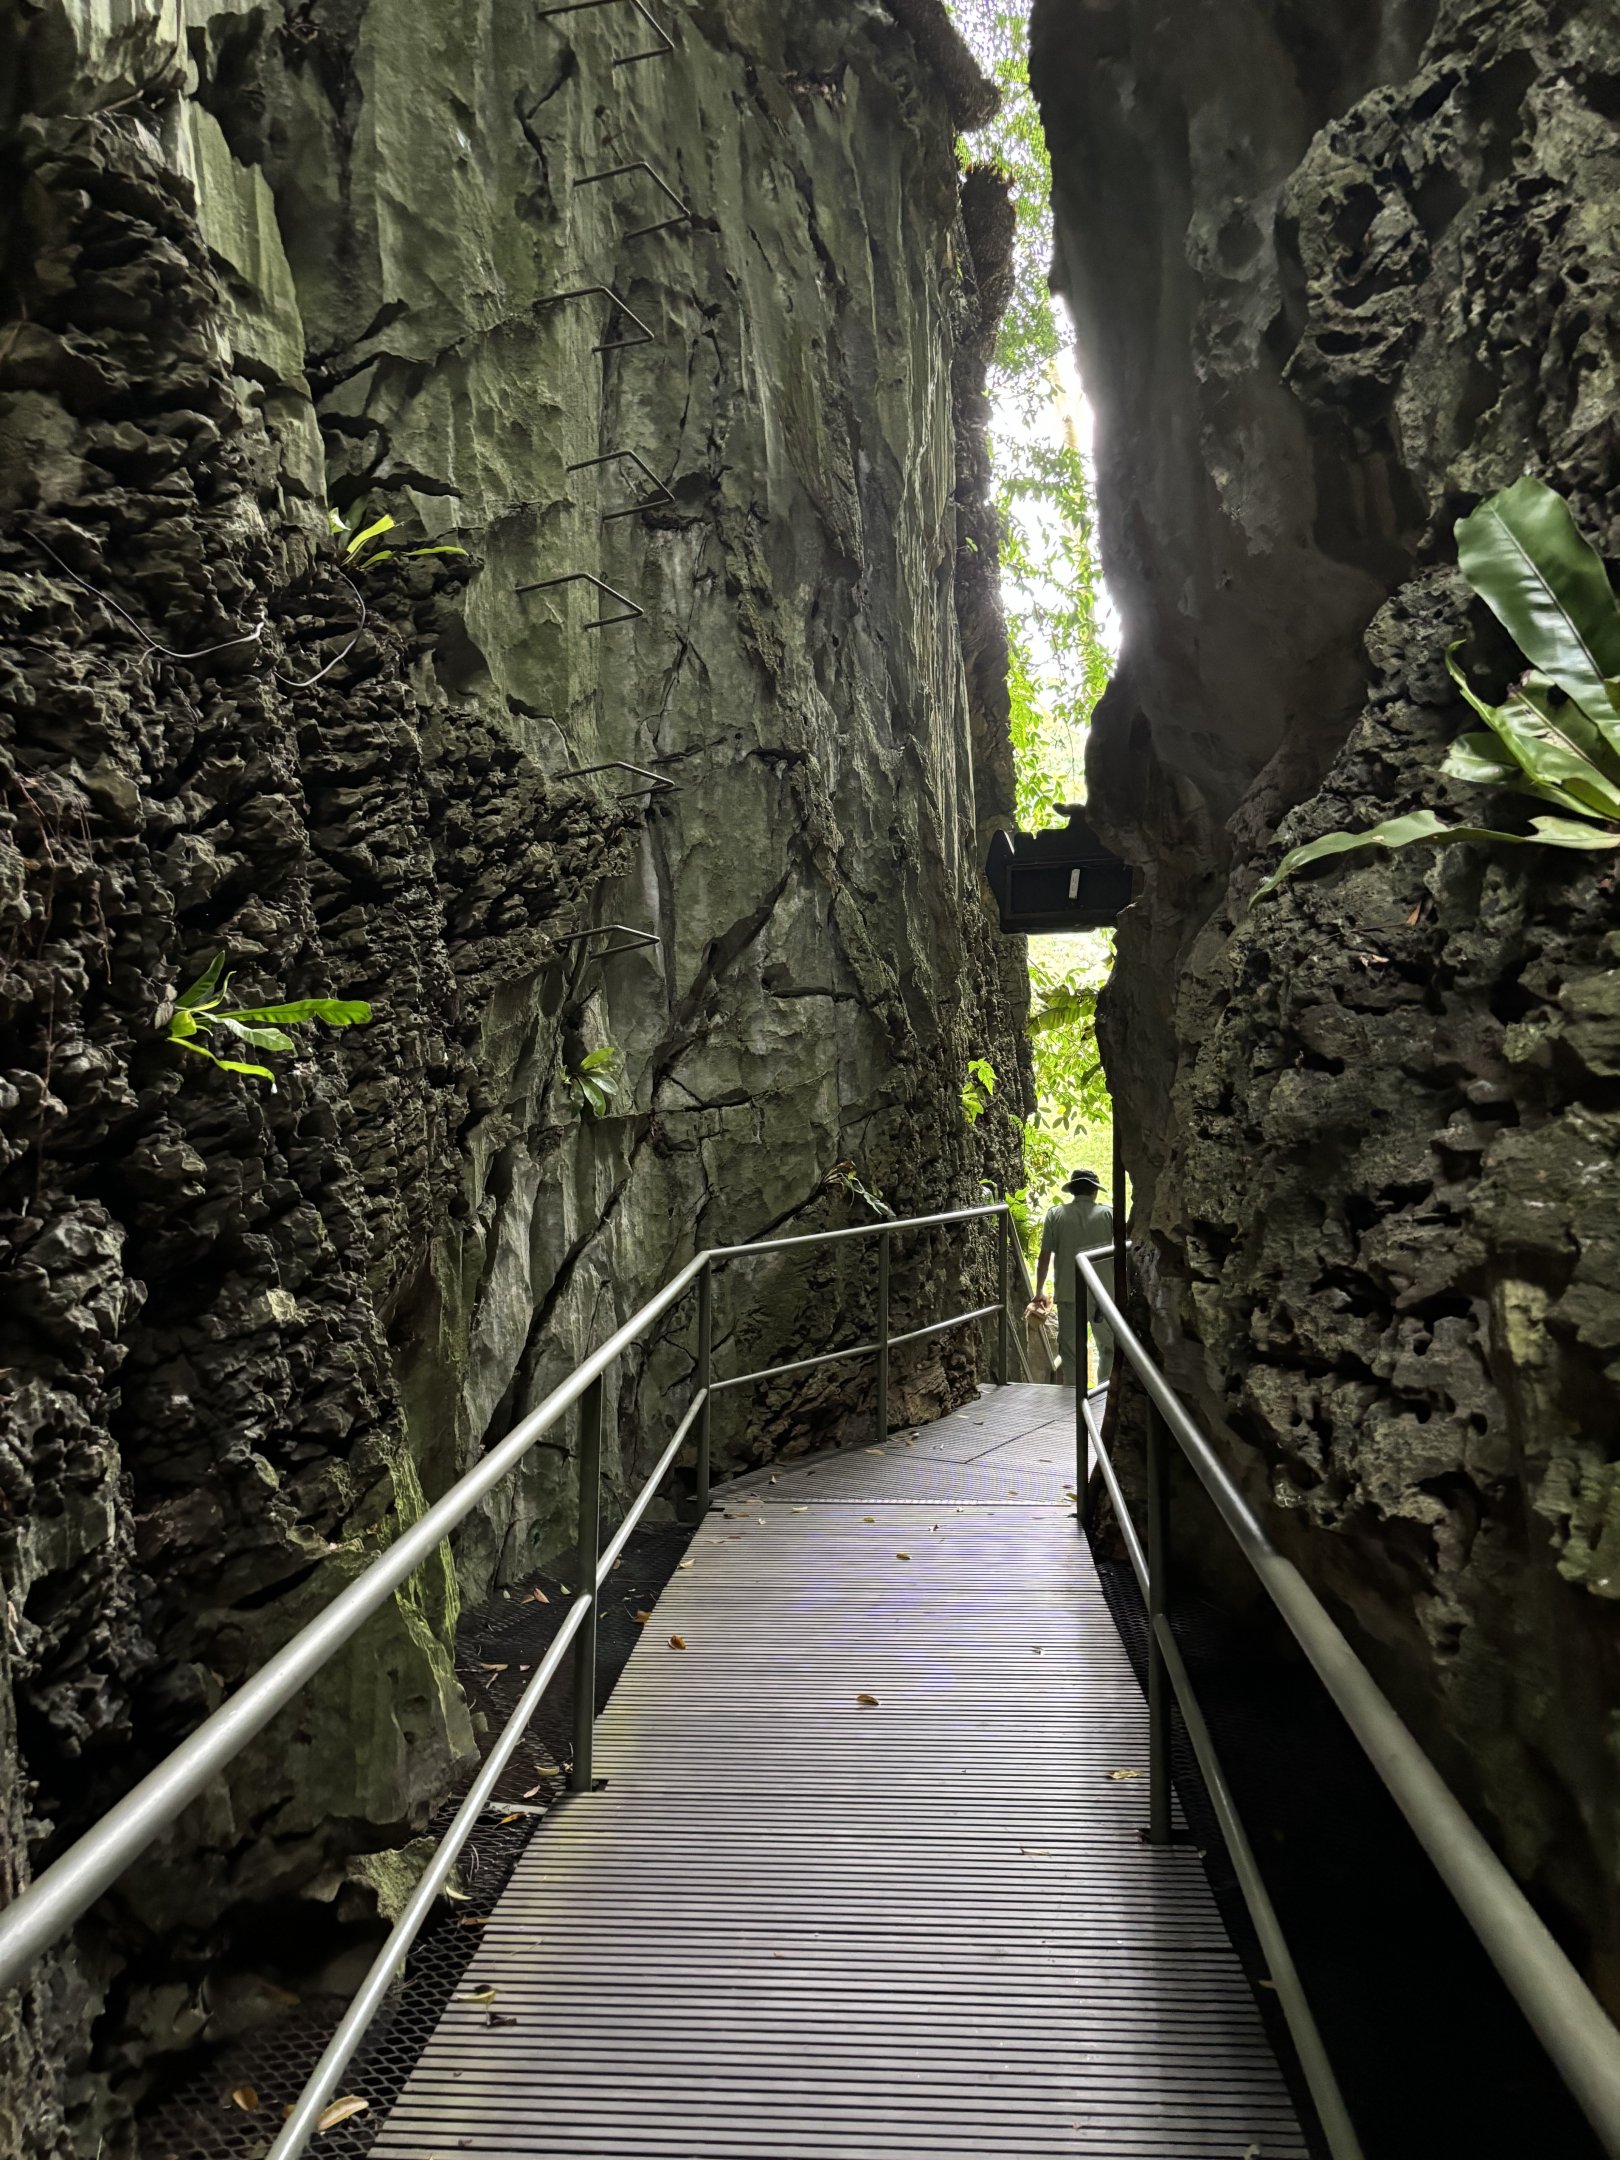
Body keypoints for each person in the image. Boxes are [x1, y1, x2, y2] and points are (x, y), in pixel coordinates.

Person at [1033, 1168, 1114, 1388]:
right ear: (1094, 1191)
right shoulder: (1109, 1214)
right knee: (1109, 1347)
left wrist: (1039, 1290)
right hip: (1103, 1294)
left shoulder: (1056, 1214)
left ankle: (1075, 1396)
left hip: (1069, 1292)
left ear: (1073, 1190)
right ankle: (1105, 1392)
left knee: (1070, 1351)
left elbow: (1045, 1255)